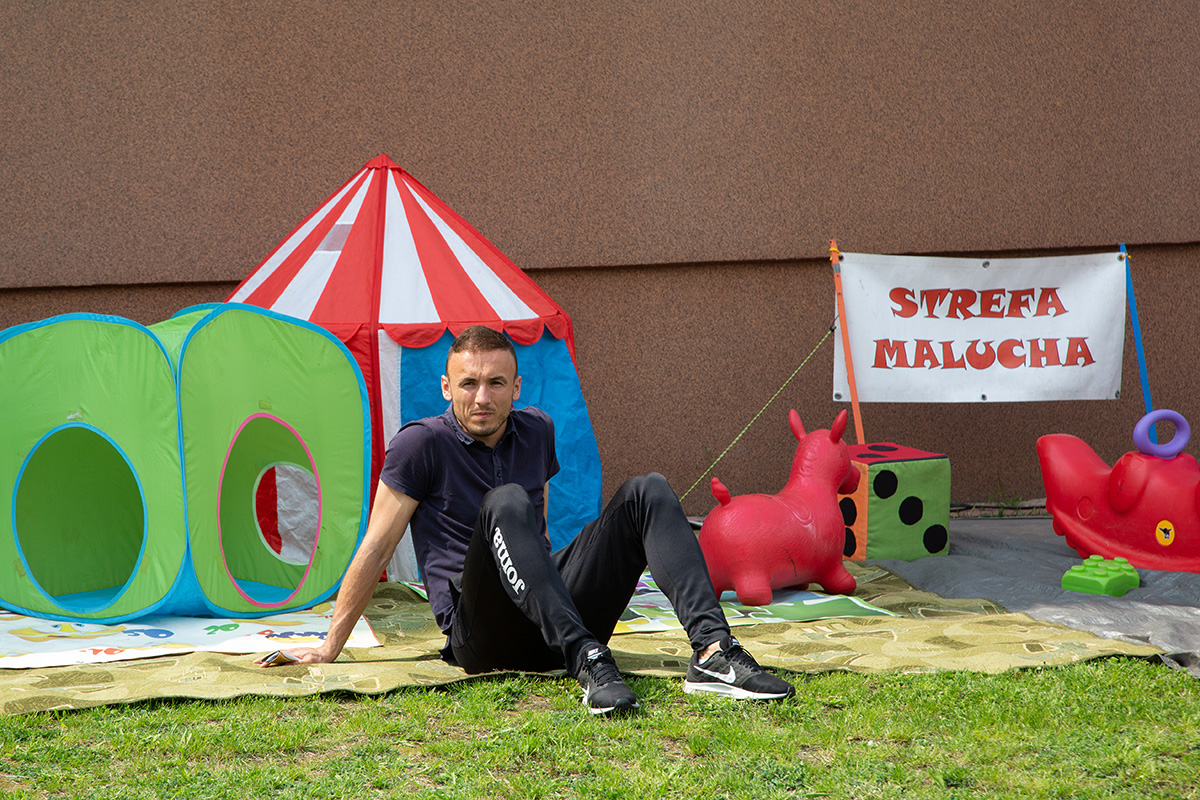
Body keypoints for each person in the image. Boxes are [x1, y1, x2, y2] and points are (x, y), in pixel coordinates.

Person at [256, 325, 794, 713]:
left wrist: (561, 588)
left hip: (551, 616)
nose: (481, 397)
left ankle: (714, 652)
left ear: (516, 388)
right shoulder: (420, 444)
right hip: (482, 635)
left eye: (496, 383)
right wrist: (328, 647)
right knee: (506, 500)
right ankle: (587, 660)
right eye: (468, 383)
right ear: (446, 388)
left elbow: (541, 536)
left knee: (646, 490)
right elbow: (376, 546)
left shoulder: (537, 429)